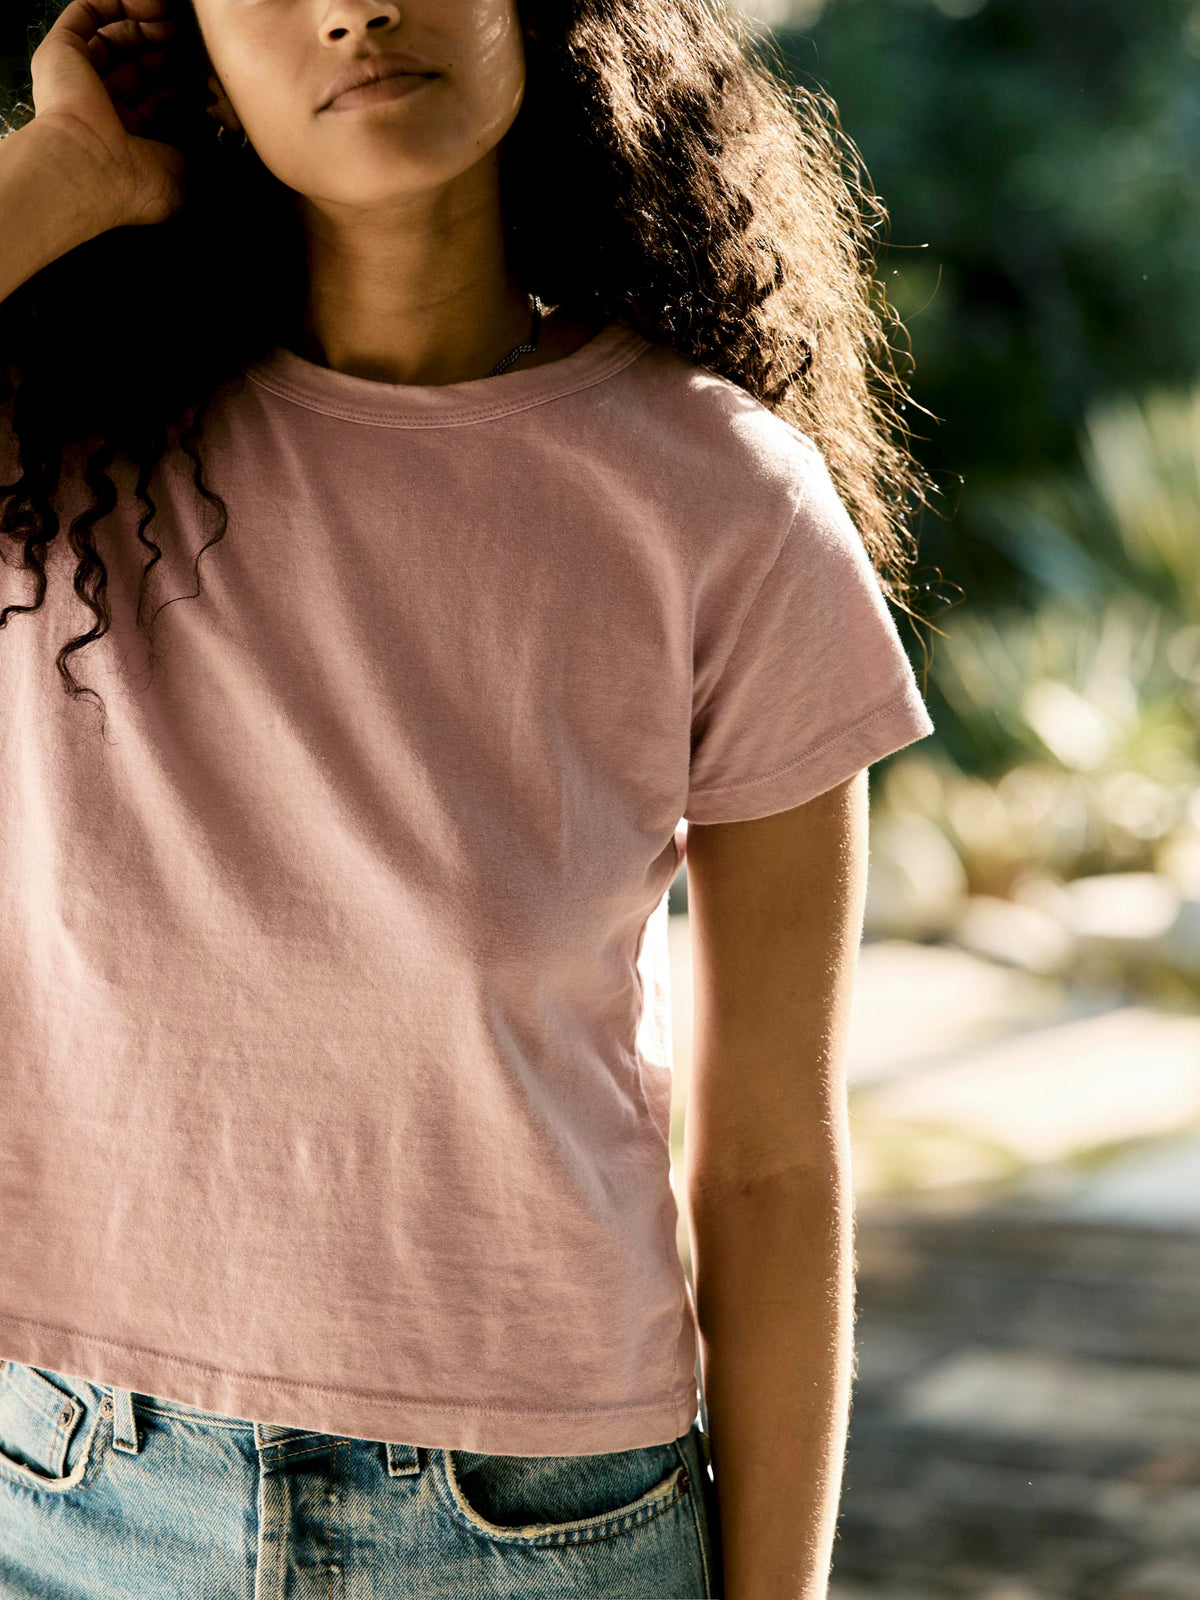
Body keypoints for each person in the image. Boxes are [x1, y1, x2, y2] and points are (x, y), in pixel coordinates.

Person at [0, 0, 938, 1594]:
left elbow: (773, 1166)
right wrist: (66, 171)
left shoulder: (725, 502)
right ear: (196, 55)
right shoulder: (56, 433)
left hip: (535, 1527)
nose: (353, 8)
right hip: (62, 1495)